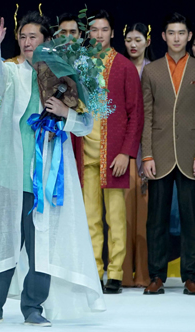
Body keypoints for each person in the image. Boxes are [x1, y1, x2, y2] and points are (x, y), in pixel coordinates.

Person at [0, 14, 104, 326]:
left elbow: (85, 124)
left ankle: (33, 307)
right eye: (23, 37)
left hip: (46, 178)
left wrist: (66, 112)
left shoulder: (63, 75)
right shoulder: (13, 72)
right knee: (4, 237)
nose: (28, 43)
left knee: (41, 244)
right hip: (10, 174)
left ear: (45, 41)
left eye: (34, 37)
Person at [72, 9, 144, 294]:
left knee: (115, 217)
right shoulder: (80, 65)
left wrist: (126, 153)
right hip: (84, 152)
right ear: (88, 33)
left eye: (104, 30)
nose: (98, 35)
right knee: (89, 218)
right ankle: (94, 270)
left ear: (112, 33)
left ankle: (114, 273)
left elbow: (135, 114)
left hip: (113, 155)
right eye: (94, 30)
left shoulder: (124, 67)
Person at [141, 12, 195, 296]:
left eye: (181, 32)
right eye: (171, 33)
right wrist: (147, 155)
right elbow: (147, 115)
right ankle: (157, 275)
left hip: (190, 153)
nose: (176, 37)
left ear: (189, 36)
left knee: (192, 217)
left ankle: (191, 275)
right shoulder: (152, 71)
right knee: (156, 218)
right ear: (163, 37)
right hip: (159, 154)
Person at [122, 22, 154, 288]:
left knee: (144, 216)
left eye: (138, 39)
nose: (133, 44)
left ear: (148, 41)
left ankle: (144, 273)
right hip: (123, 149)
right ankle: (121, 272)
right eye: (129, 39)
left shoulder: (153, 71)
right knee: (123, 215)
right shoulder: (119, 69)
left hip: (148, 149)